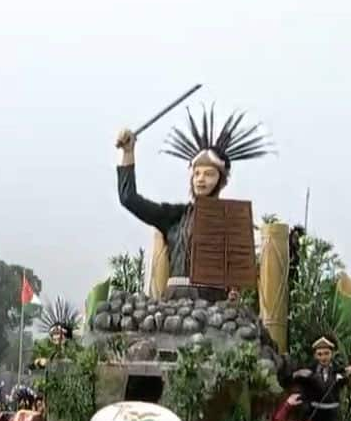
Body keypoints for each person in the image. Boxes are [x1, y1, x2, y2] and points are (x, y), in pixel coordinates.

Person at [115, 105, 272, 301]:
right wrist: (128, 153)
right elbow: (129, 198)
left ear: (221, 180)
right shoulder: (175, 218)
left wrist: (233, 292)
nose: (201, 179)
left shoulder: (231, 221)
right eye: (197, 173)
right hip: (174, 306)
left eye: (209, 174)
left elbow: (237, 269)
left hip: (212, 308)